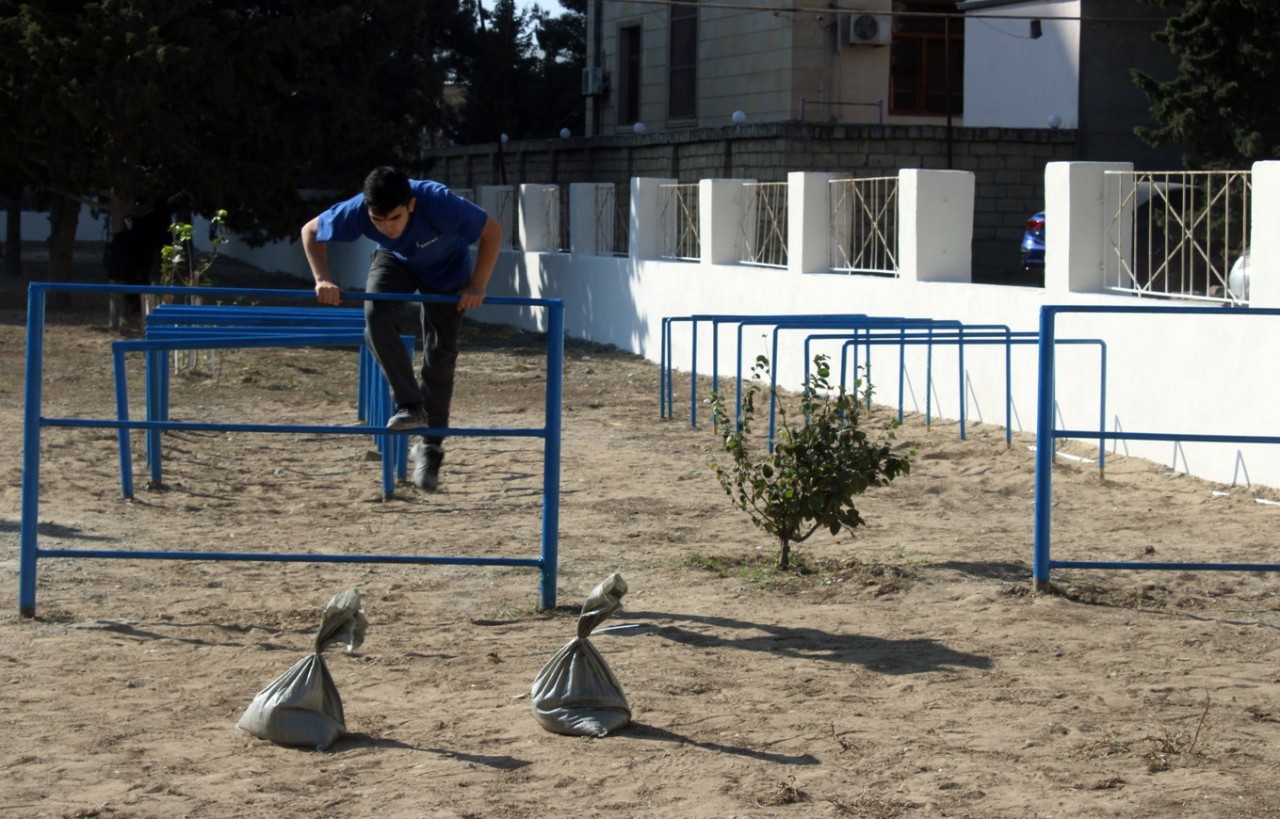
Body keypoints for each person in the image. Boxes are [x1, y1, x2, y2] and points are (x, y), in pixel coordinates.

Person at [300, 167, 503, 490]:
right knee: (375, 319)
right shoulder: (359, 210)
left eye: (393, 218)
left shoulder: (437, 202)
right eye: (377, 221)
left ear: (410, 205)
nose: (386, 226)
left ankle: (431, 445)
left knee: (440, 353)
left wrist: (477, 285)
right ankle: (410, 405)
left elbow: (492, 231)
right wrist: (322, 278)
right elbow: (310, 231)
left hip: (448, 268)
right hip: (395, 262)